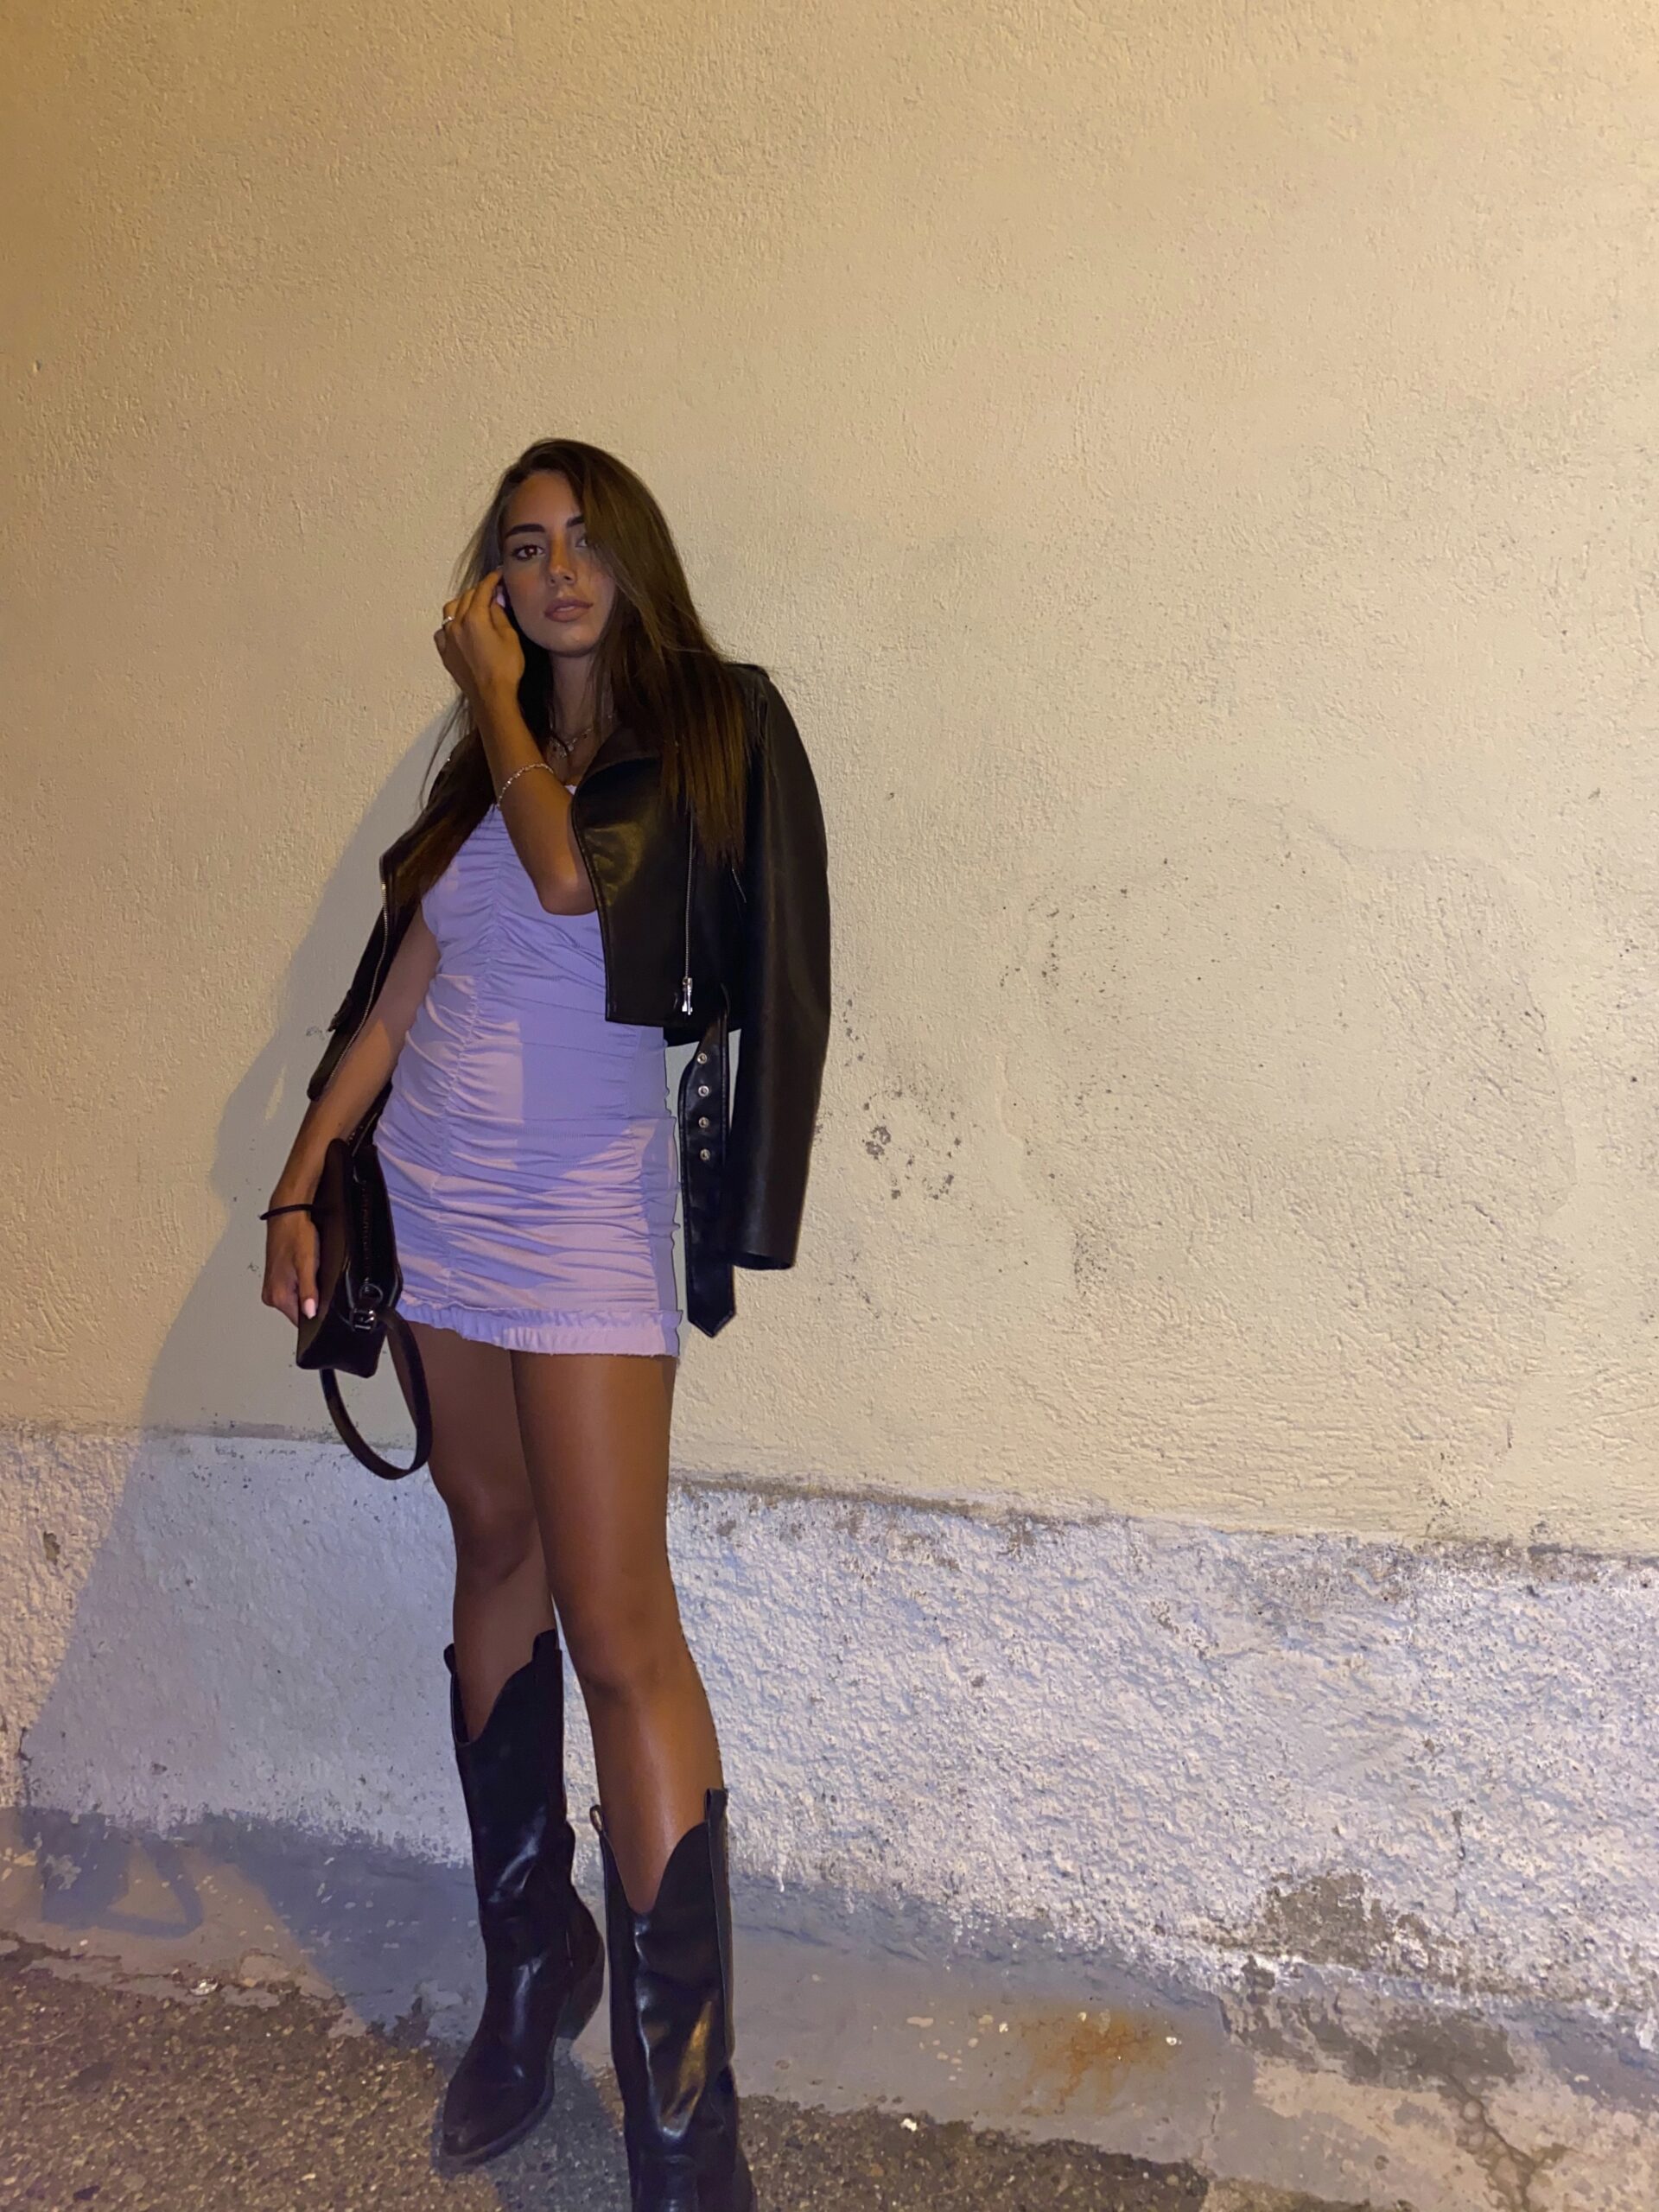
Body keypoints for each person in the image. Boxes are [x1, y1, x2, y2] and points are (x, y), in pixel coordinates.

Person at [260, 438, 830, 2209]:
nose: (557, 568)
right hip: (436, 1204)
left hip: (583, 1224)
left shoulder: (705, 735)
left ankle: (685, 2133)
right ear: (493, 578)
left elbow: (580, 884)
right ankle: (532, 1964)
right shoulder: (470, 778)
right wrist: (301, 1180)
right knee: (493, 1549)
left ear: (631, 559)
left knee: (622, 1627)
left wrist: (496, 699)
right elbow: (397, 999)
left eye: (584, 539)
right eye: (523, 546)